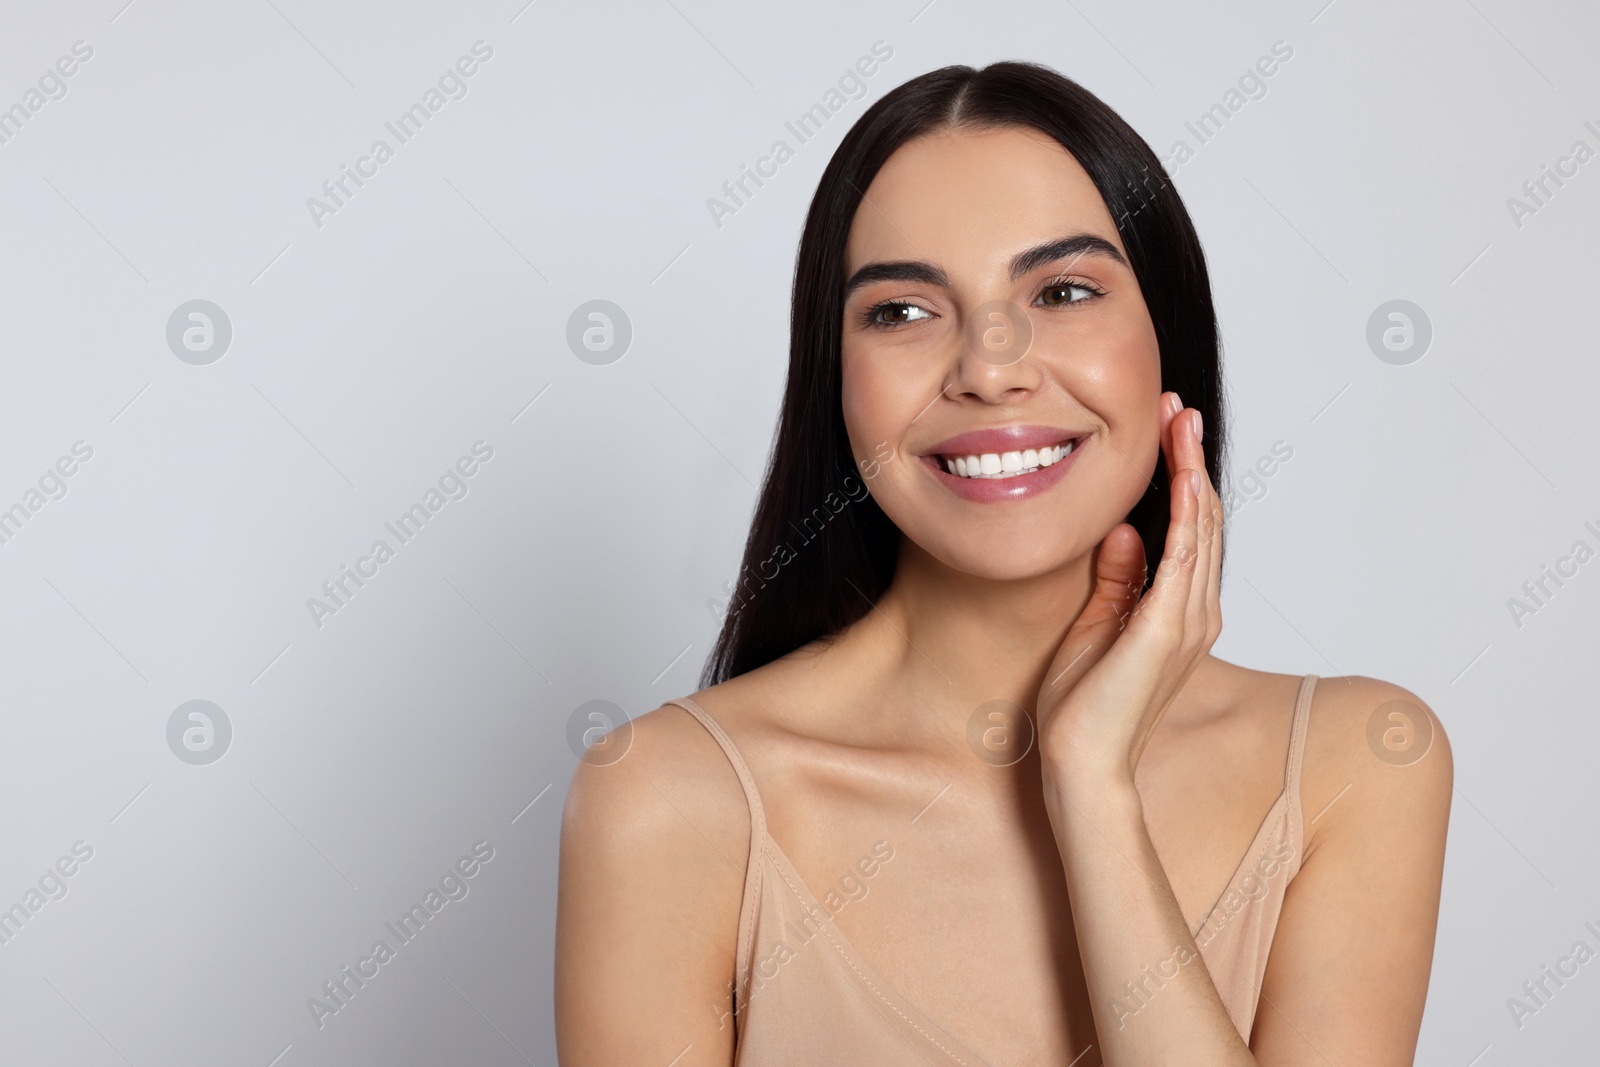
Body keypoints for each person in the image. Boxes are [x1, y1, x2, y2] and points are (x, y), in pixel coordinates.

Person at [555, 60, 1451, 1066]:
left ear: (1168, 338)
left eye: (1063, 289)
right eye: (899, 309)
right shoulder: (668, 800)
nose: (989, 366)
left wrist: (1092, 786)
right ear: (834, 378)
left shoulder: (1355, 761)